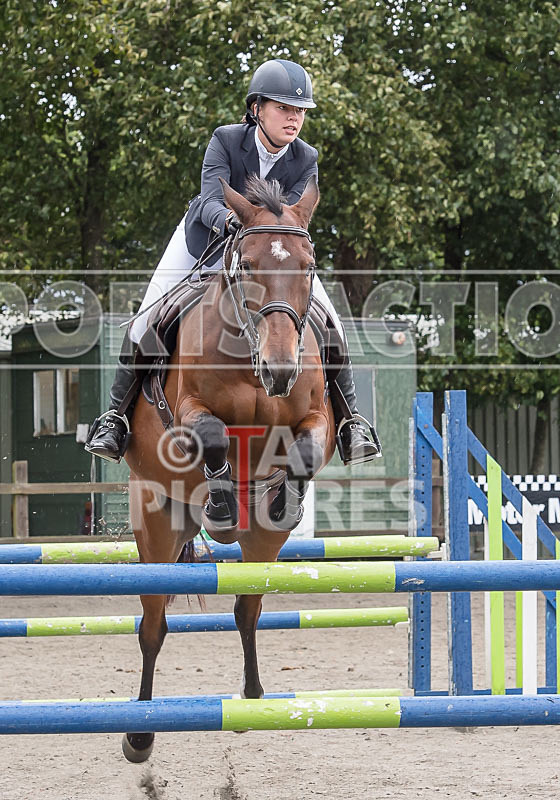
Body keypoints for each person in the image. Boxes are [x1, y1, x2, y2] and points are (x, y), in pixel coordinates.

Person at [85, 58, 379, 466]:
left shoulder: (306, 158)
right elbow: (208, 198)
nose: (294, 119)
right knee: (147, 317)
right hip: (205, 241)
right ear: (256, 108)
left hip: (273, 257)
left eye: (299, 111)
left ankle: (351, 424)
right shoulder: (225, 140)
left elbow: (294, 215)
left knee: (332, 322)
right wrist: (229, 220)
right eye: (283, 108)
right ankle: (115, 418)